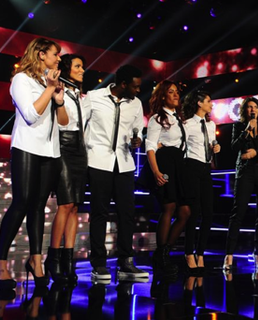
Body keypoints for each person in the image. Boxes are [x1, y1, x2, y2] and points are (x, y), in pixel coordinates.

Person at [0, 38, 68, 289]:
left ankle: (36, 260)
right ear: (41, 54)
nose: (59, 59)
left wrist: (58, 97)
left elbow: (63, 121)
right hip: (26, 148)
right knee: (22, 202)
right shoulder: (21, 79)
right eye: (55, 54)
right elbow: (31, 115)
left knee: (38, 207)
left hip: (50, 151)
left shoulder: (51, 83)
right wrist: (49, 89)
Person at [84, 64, 148, 281]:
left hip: (124, 163)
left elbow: (138, 130)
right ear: (123, 84)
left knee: (126, 213)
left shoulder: (136, 104)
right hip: (98, 161)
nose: (138, 91)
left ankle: (126, 261)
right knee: (99, 213)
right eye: (135, 86)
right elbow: (80, 128)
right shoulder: (94, 97)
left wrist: (137, 141)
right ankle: (99, 264)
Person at [45, 54, 89, 283]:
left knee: (75, 207)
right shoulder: (56, 89)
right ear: (66, 69)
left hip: (80, 149)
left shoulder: (82, 97)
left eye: (83, 67)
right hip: (62, 145)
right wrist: (60, 99)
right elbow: (62, 121)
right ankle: (52, 258)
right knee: (65, 204)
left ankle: (68, 260)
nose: (83, 70)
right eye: (78, 66)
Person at [224, 97, 258, 270]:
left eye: (255, 107)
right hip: (245, 172)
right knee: (237, 212)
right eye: (249, 107)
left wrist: (256, 152)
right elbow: (234, 146)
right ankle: (229, 255)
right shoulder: (238, 126)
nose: (252, 110)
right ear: (244, 110)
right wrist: (246, 131)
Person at [145, 80, 191, 275]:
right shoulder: (157, 118)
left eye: (176, 92)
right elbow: (150, 146)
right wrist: (156, 171)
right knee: (169, 207)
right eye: (170, 92)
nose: (175, 95)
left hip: (179, 165)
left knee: (185, 212)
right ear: (163, 96)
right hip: (164, 164)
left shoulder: (179, 118)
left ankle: (162, 253)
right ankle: (162, 257)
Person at [182, 90, 220, 275]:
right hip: (191, 167)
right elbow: (182, 147)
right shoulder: (187, 124)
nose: (211, 104)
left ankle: (201, 253)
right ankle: (189, 252)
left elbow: (212, 143)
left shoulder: (211, 124)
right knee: (194, 211)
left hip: (206, 168)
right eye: (208, 101)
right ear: (199, 103)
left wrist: (216, 147)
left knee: (208, 212)